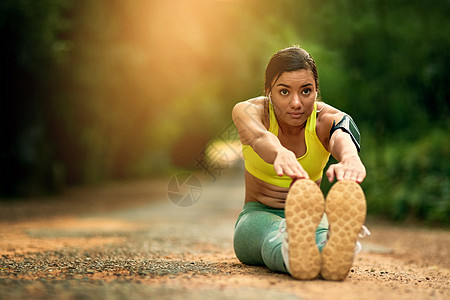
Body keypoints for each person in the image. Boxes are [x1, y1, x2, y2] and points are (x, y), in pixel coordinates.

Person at [232, 46, 369, 281]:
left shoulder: (328, 119)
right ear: (269, 92)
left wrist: (350, 159)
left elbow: (343, 135)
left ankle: (330, 255)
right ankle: (293, 252)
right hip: (257, 216)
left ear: (317, 91)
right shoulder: (250, 111)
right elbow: (259, 137)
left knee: (321, 236)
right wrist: (279, 154)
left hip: (313, 219)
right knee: (273, 236)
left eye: (306, 91)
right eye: (284, 92)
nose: (296, 103)